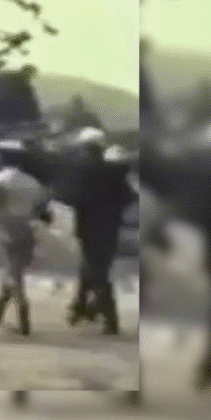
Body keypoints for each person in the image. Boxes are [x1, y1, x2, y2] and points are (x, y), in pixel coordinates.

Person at [0, 139, 54, 335]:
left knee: (13, 272)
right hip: (27, 228)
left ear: (3, 157)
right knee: (14, 269)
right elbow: (43, 210)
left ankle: (22, 309)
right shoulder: (32, 182)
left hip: (5, 229)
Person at [67, 127, 133, 335]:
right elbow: (129, 196)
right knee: (94, 268)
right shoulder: (113, 171)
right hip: (110, 228)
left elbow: (75, 199)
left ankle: (110, 319)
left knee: (96, 273)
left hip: (89, 228)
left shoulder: (83, 170)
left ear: (85, 147)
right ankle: (80, 307)